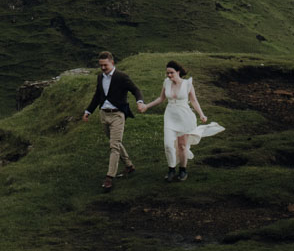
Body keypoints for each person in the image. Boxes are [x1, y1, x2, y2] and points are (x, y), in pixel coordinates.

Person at [137, 60, 225, 181]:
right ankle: (171, 169)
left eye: (171, 73)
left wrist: (201, 114)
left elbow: (194, 100)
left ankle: (183, 170)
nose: (169, 75)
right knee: (168, 144)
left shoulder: (187, 84)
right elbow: (161, 98)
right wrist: (147, 106)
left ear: (178, 72)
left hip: (184, 117)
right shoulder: (166, 83)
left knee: (182, 146)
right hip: (170, 117)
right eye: (167, 73)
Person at [80, 51, 143, 191]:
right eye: (101, 65)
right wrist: (88, 111)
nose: (103, 68)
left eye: (105, 65)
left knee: (114, 146)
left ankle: (109, 178)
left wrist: (139, 102)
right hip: (104, 114)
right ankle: (129, 166)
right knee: (115, 142)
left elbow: (135, 89)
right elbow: (97, 95)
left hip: (117, 115)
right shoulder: (100, 77)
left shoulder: (122, 77)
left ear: (112, 63)